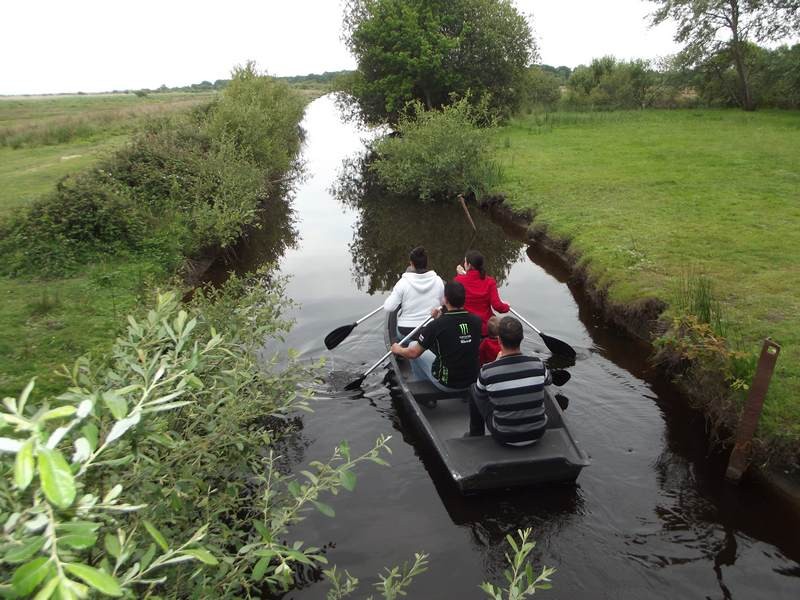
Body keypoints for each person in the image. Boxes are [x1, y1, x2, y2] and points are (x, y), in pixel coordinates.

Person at [467, 316, 551, 445]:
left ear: (499, 340)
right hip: (538, 432)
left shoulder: (488, 371)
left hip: (505, 436)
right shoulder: (539, 365)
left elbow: (481, 395)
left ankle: (475, 434)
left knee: (474, 389)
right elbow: (548, 381)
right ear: (522, 339)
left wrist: (496, 365)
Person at [390, 281, 481, 393]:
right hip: (473, 381)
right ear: (464, 299)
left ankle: (423, 389)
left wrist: (398, 349)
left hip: (447, 383)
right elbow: (455, 334)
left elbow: (413, 353)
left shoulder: (435, 325)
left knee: (412, 345)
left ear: (445, 300)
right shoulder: (477, 321)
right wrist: (438, 319)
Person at [384, 246, 444, 339]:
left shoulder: (402, 283)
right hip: (431, 329)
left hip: (407, 332)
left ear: (411, 264)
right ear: (426, 263)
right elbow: (443, 304)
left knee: (397, 325)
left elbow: (389, 307)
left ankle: (405, 348)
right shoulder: (438, 281)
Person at [455, 250, 510, 337]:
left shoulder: (458, 280)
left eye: (465, 262)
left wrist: (461, 275)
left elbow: (454, 302)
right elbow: (497, 306)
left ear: (469, 265)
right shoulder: (490, 282)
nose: (464, 264)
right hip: (485, 328)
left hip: (466, 327)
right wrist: (507, 306)